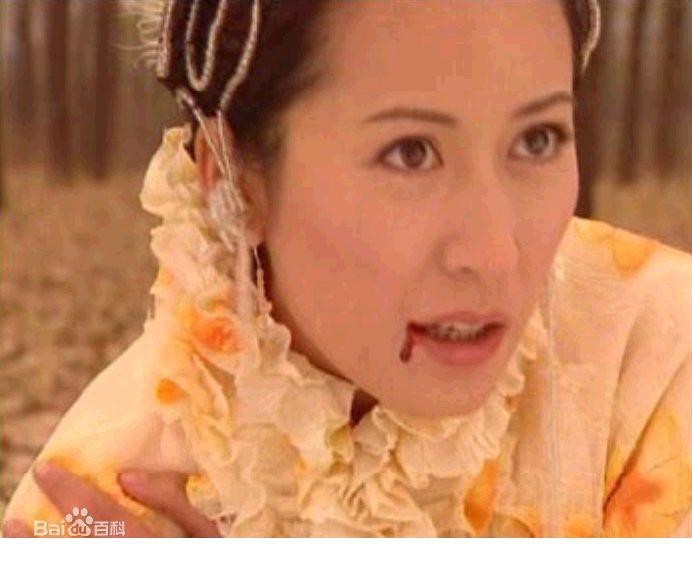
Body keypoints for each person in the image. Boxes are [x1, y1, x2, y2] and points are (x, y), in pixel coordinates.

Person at [2, 0, 690, 537]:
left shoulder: (660, 360)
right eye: (411, 153)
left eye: (537, 139)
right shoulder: (106, 497)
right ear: (234, 180)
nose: (496, 253)